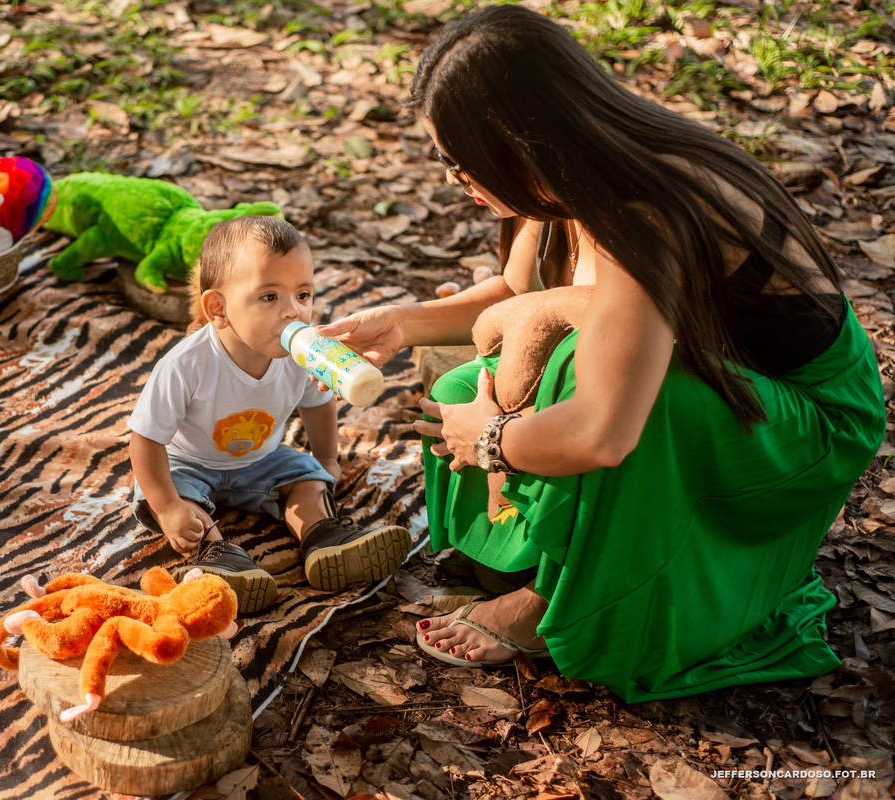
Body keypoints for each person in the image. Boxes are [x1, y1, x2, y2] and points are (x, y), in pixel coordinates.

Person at [318, 4, 885, 701]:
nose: (454, 177)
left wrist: (490, 437)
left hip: (807, 420)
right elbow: (516, 290)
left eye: (459, 159)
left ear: (516, 142)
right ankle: (547, 556)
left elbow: (605, 430)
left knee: (596, 383)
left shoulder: (644, 209)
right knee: (475, 371)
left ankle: (556, 601)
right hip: (722, 380)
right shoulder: (565, 174)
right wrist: (405, 324)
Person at [128, 216, 412, 614]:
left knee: (308, 478)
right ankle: (219, 558)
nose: (292, 311)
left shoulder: (301, 356)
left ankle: (323, 538)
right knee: (167, 498)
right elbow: (145, 438)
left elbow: (318, 403)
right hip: (187, 461)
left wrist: (326, 458)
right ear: (218, 309)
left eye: (303, 294)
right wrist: (168, 505)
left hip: (263, 459)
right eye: (269, 297)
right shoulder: (185, 365)